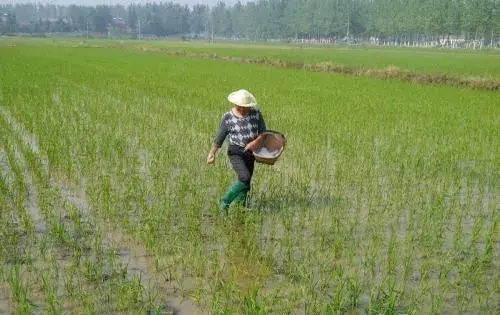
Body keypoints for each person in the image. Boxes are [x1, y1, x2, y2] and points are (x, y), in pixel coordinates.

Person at [207, 89, 267, 210]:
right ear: (235, 104)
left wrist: (254, 143)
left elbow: (263, 133)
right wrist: (212, 154)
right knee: (244, 177)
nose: (243, 109)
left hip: (251, 153)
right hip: (235, 152)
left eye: (246, 107)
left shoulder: (256, 114)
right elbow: (220, 138)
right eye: (240, 107)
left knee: (246, 183)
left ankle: (241, 207)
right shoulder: (228, 117)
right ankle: (225, 201)